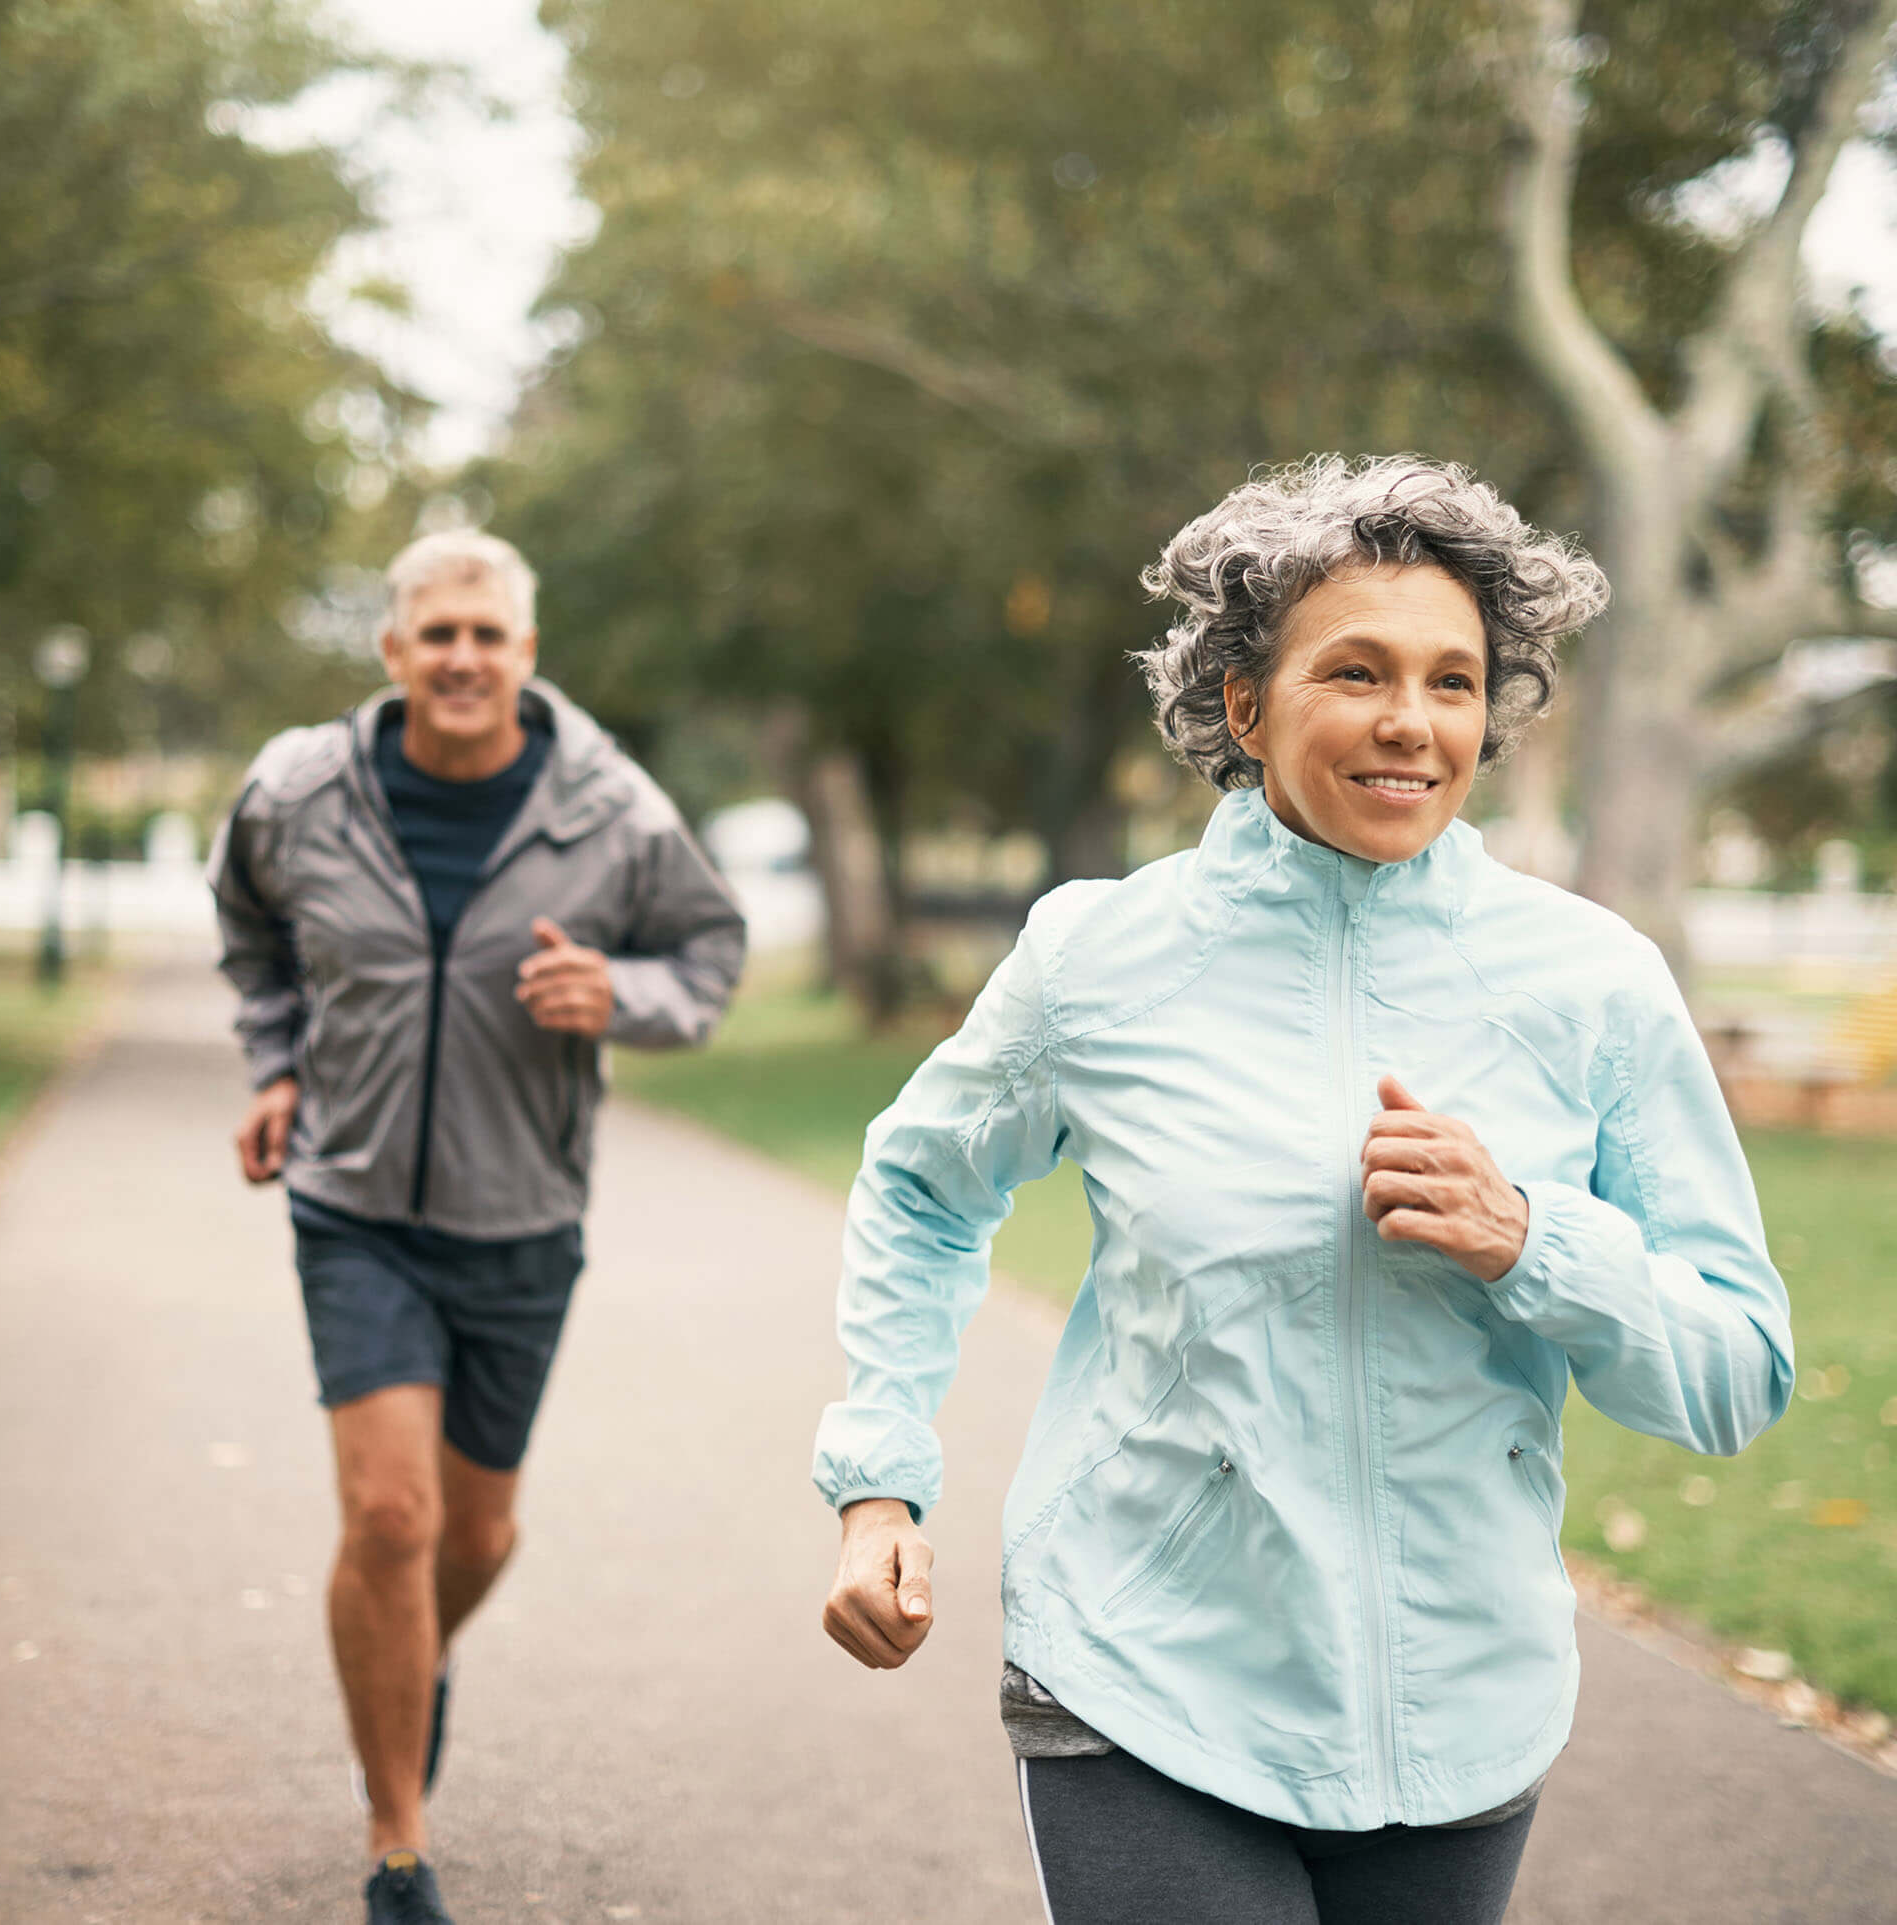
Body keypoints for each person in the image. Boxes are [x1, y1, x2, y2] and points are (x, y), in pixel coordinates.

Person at [814, 456, 1792, 1925]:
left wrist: (1534, 1240)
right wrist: (878, 1476)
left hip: (1463, 1705)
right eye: (1359, 670)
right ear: (1245, 705)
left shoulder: (1593, 983)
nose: (1412, 721)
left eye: (1454, 680)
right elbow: (921, 1182)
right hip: (1144, 1668)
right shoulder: (1102, 962)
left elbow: (1739, 1370)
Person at [212, 529, 746, 1925]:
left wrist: (617, 998)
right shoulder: (298, 791)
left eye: (487, 635)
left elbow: (709, 953)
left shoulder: (611, 809)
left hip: (525, 1214)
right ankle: (399, 1842)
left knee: (479, 1535)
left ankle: (404, 1664)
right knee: (390, 1514)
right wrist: (275, 1061)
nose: (461, 657)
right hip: (354, 1203)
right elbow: (252, 929)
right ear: (392, 651)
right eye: (436, 632)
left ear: (525, 653)